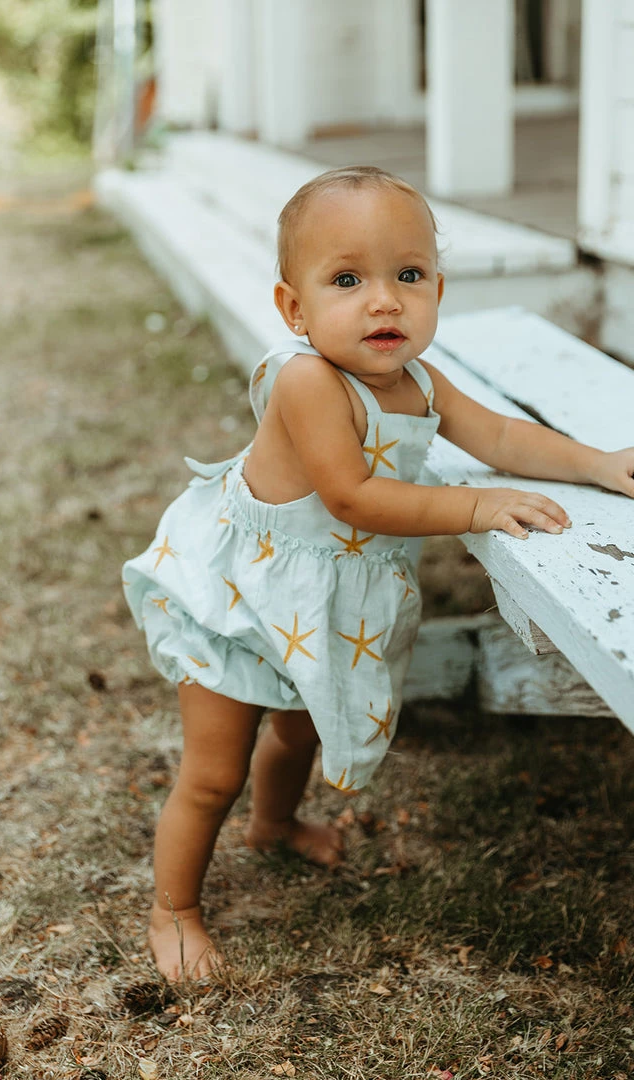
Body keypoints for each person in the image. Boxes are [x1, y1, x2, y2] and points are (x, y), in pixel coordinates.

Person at [122, 166, 634, 981]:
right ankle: (173, 911)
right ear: (295, 308)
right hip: (241, 597)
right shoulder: (307, 381)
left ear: (438, 289)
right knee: (213, 772)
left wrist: (597, 463)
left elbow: (501, 436)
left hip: (316, 604)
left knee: (298, 727)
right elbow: (353, 498)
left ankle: (274, 825)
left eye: (409, 275)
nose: (385, 301)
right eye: (348, 280)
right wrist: (477, 506)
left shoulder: (418, 381)